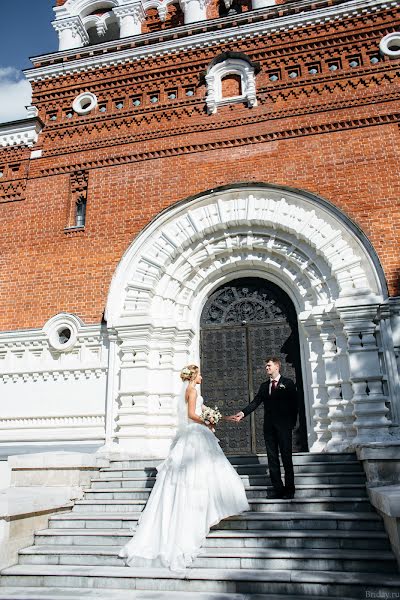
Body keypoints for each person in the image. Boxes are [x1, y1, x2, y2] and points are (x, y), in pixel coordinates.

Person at [119, 364, 249, 571]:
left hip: (192, 433)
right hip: (196, 433)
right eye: (200, 374)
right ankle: (205, 508)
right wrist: (207, 422)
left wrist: (219, 417)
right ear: (194, 376)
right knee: (204, 469)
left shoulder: (189, 391)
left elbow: (200, 411)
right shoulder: (193, 390)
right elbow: (191, 414)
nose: (202, 377)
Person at [230, 357, 298, 499]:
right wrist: (242, 413)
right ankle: (278, 490)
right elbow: (255, 402)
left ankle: (290, 490)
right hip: (269, 428)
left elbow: (294, 405)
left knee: (286, 458)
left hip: (284, 427)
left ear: (277, 367)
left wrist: (291, 424)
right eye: (266, 366)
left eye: (269, 365)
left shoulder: (288, 383)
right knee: (272, 459)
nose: (267, 368)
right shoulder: (263, 386)